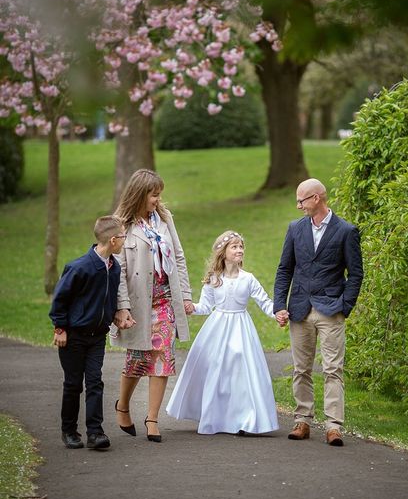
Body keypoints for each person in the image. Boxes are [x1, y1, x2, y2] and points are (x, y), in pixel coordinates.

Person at [273, 178, 363, 446]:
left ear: (317, 198)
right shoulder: (295, 228)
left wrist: (345, 307)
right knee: (301, 369)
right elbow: (284, 269)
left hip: (331, 309)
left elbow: (356, 273)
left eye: (302, 200)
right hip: (299, 309)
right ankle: (302, 420)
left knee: (333, 369)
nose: (298, 205)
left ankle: (334, 426)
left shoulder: (346, 230)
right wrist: (280, 305)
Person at [166, 230, 280, 435]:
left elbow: (265, 302)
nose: (239, 250)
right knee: (217, 370)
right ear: (223, 252)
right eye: (234, 247)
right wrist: (192, 307)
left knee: (241, 372)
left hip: (241, 328)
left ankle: (245, 419)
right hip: (217, 329)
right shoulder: (213, 279)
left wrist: (277, 314)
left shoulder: (248, 279)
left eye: (241, 246)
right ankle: (214, 417)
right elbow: (206, 306)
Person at [110, 168, 193, 443]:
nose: (157, 200)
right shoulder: (122, 225)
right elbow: (118, 270)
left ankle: (152, 418)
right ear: (139, 195)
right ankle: (122, 406)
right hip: (138, 304)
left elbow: (178, 257)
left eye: (159, 195)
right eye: (153, 195)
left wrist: (186, 294)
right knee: (137, 360)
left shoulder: (164, 220)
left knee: (163, 359)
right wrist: (122, 307)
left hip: (165, 300)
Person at [49, 215, 127, 450]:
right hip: (73, 336)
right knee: (73, 384)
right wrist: (60, 328)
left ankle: (95, 432)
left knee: (95, 382)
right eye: (123, 236)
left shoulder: (114, 268)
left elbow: (107, 298)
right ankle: (69, 431)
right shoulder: (79, 267)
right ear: (113, 240)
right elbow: (60, 301)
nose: (125, 240)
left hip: (97, 338)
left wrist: (116, 314)